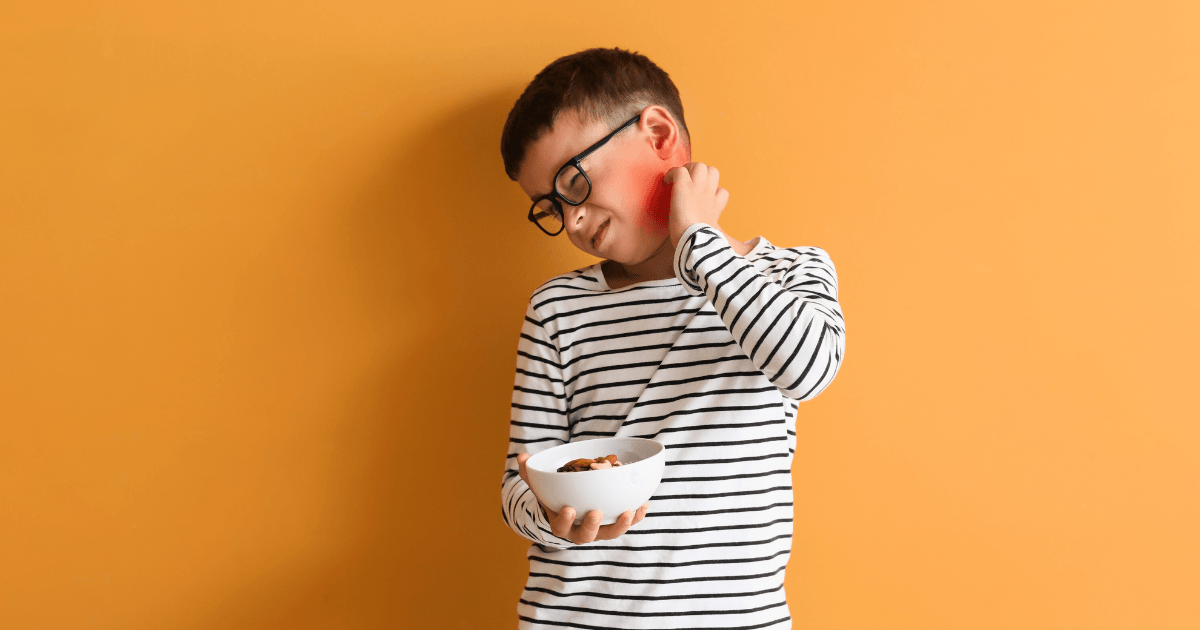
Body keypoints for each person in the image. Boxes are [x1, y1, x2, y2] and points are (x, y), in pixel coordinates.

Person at [498, 47, 846, 629]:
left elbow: (809, 369)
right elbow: (520, 482)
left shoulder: (790, 274)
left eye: (573, 183)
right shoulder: (557, 309)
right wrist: (546, 511)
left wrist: (700, 244)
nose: (574, 222)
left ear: (659, 134)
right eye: (551, 208)